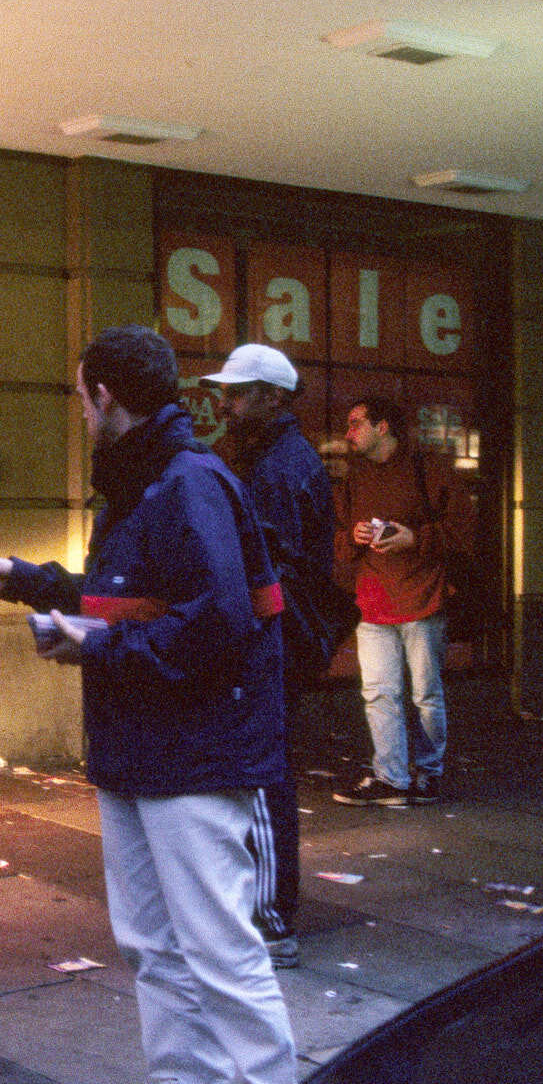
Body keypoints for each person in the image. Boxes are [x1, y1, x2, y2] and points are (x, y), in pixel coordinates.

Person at [0, 324, 297, 1084]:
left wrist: (95, 644)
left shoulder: (183, 484)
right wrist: (36, 583)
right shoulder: (156, 481)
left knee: (218, 945)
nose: (79, 411)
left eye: (79, 396)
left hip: (192, 753)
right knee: (156, 939)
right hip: (150, 748)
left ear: (105, 395)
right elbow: (138, 599)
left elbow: (217, 619)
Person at [203, 344, 336, 969]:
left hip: (274, 636)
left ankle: (273, 917)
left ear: (272, 397)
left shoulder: (279, 467)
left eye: (238, 392)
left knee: (264, 777)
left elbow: (270, 566)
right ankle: (268, 910)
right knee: (263, 773)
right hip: (279, 633)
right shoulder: (274, 458)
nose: (226, 402)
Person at [330, 397, 470, 808]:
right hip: (373, 596)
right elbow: (336, 541)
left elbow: (463, 530)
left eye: (356, 423)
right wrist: (351, 539)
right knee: (379, 691)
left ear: (383, 426)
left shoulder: (429, 468)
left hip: (423, 594)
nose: (348, 433)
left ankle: (428, 774)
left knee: (425, 692)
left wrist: (415, 538)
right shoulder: (353, 477)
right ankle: (392, 776)